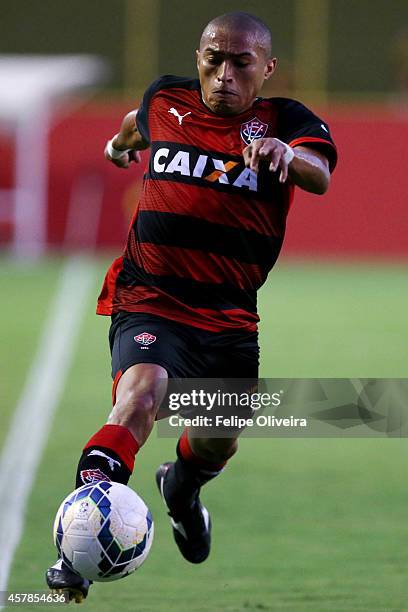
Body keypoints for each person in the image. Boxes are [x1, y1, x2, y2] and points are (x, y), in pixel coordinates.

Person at [46, 11, 337, 602]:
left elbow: (321, 173)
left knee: (217, 438)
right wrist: (114, 145)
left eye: (241, 63)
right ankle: (74, 553)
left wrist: (287, 155)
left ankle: (180, 488)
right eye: (214, 59)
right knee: (141, 397)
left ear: (267, 68)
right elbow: (136, 124)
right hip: (150, 297)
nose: (224, 74)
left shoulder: (286, 121)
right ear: (199, 56)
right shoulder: (167, 100)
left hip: (229, 315)